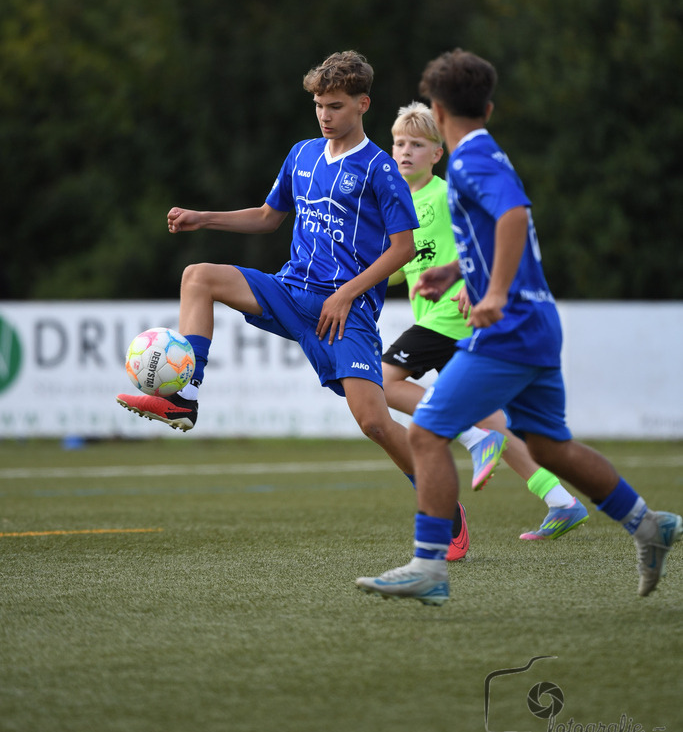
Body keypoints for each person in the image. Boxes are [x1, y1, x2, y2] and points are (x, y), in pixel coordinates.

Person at [356, 48, 681, 605]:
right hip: (537, 322)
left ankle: (429, 566)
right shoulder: (485, 153)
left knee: (427, 431)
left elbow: (514, 216)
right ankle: (648, 525)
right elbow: (498, 230)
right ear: (487, 107)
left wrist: (496, 293)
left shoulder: (470, 161)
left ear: (438, 111)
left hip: (510, 326)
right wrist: (459, 271)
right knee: (550, 447)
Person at [117, 50, 425, 483]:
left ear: (363, 104)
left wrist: (345, 294)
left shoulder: (380, 169)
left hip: (344, 313)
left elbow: (403, 249)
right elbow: (267, 217)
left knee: (374, 424)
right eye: (318, 105)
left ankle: (441, 501)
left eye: (335, 106)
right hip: (290, 291)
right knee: (198, 276)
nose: (325, 115)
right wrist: (203, 218)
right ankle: (184, 397)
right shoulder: (302, 154)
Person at [382, 101, 588, 558]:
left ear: (438, 153)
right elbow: (397, 269)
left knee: (383, 381)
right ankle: (561, 500)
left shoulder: (443, 195)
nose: (406, 151)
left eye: (417, 144)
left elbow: (490, 237)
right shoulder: (399, 205)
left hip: (450, 316)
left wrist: (472, 286)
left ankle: (474, 440)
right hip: (438, 319)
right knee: (492, 418)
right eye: (399, 143)